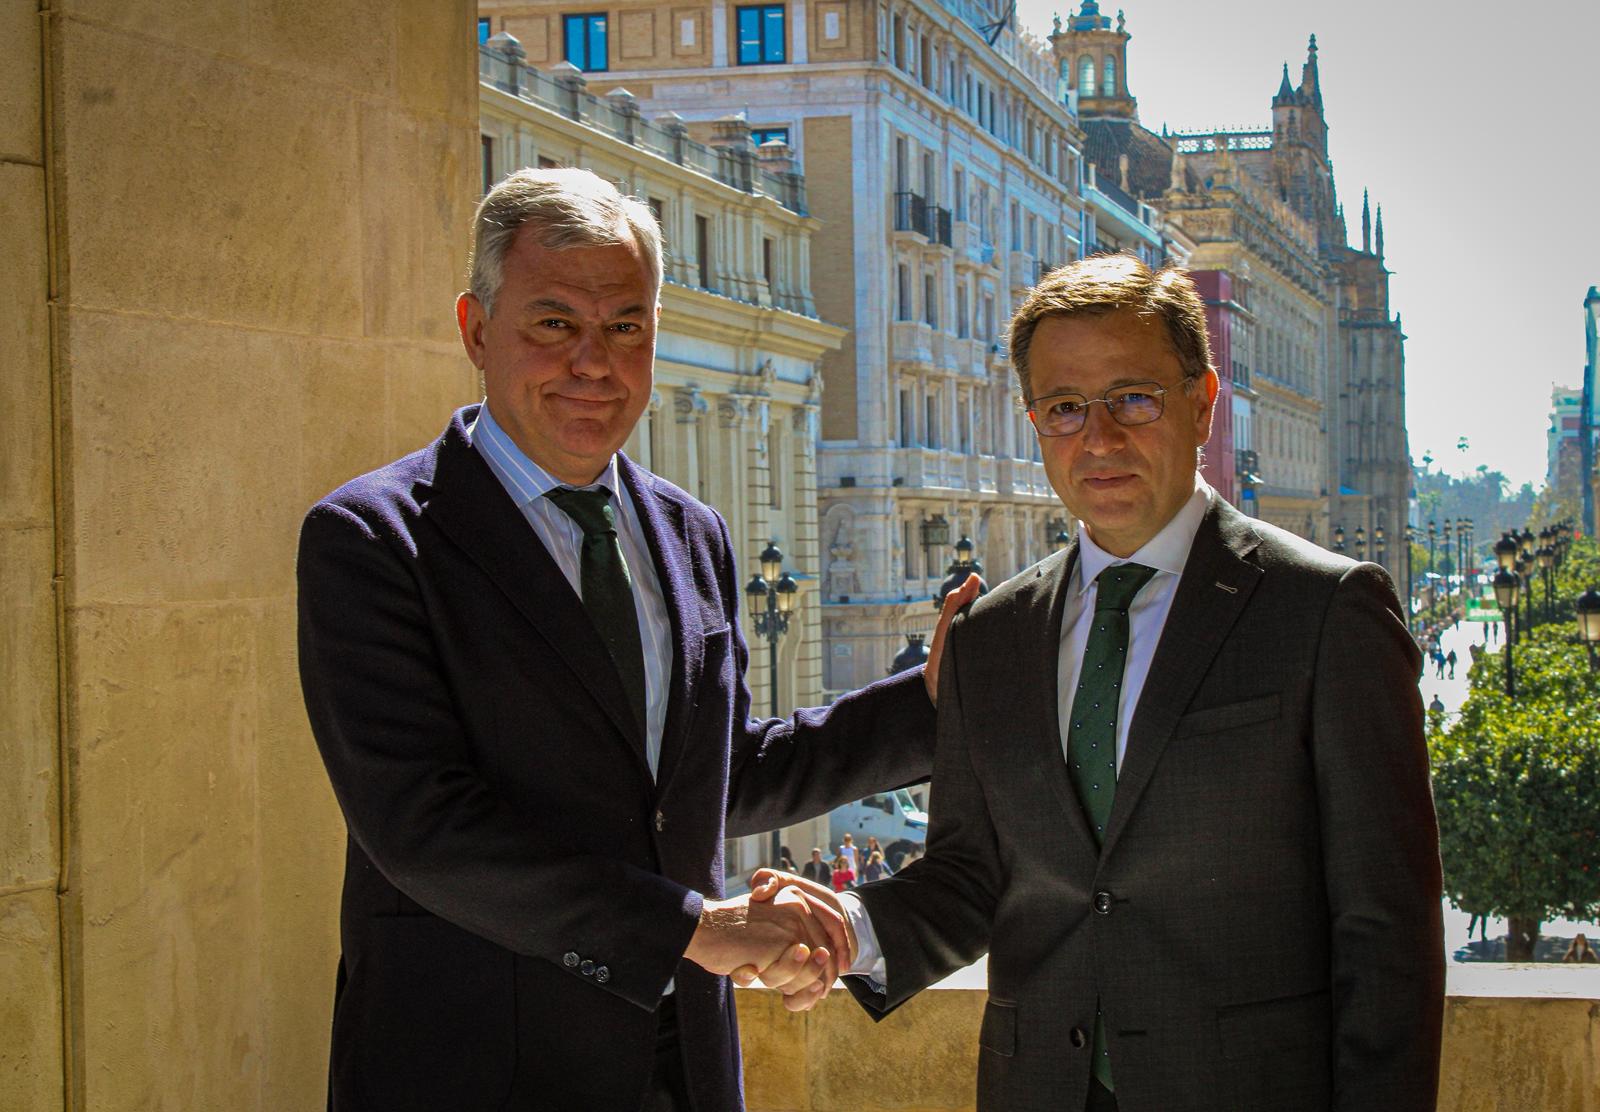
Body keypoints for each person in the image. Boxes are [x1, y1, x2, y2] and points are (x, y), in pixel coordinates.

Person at [296, 167, 976, 1112]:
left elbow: (719, 777)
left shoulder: (691, 533)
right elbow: (422, 828)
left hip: (680, 1068)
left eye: (626, 326)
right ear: (474, 330)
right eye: (554, 324)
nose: (594, 362)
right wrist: (694, 929)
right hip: (469, 1067)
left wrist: (931, 702)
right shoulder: (373, 539)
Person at [759, 256, 1444, 1111]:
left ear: (1203, 403)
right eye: (1065, 409)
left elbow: (1388, 936)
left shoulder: (1327, 611)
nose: (1101, 437)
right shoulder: (987, 636)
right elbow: (970, 878)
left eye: (1135, 398)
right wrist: (847, 926)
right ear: (1035, 424)